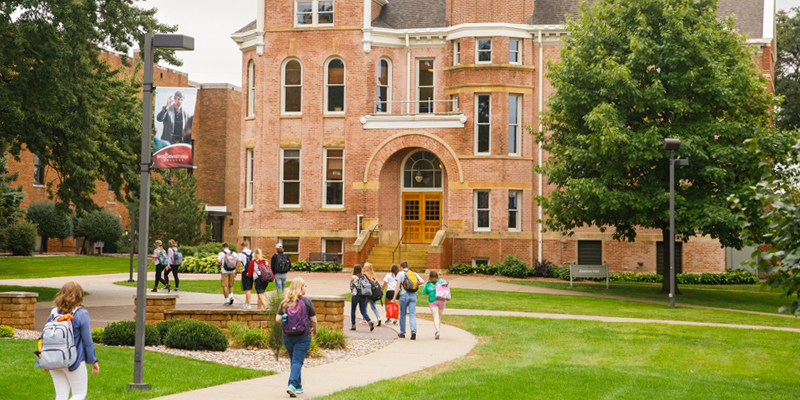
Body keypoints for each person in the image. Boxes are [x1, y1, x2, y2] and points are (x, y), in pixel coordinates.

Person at [37, 282, 99, 400]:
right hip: (74, 360)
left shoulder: (54, 313)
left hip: (54, 358)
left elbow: (45, 338)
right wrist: (93, 361)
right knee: (79, 394)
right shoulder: (81, 314)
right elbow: (87, 341)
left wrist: (43, 360)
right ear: (79, 295)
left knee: (61, 396)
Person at [275, 278, 318, 398]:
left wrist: (289, 322)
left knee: (294, 360)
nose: (305, 287)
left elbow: (278, 319)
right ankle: (292, 385)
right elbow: (313, 319)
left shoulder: (285, 303)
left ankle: (298, 386)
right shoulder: (307, 301)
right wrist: (314, 329)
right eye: (304, 285)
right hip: (303, 336)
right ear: (300, 287)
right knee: (297, 361)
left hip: (287, 336)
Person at [391, 261, 425, 340]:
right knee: (412, 314)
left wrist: (394, 298)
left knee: (403, 314)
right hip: (413, 295)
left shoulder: (400, 274)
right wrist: (416, 284)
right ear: (408, 267)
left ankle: (402, 332)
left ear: (401, 267)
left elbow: (397, 287)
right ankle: (413, 330)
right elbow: (422, 281)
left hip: (404, 295)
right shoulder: (414, 273)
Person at [422, 270, 447, 340]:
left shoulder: (428, 283)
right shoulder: (441, 281)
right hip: (441, 300)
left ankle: (437, 331)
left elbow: (424, 293)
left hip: (432, 301)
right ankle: (437, 330)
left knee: (435, 316)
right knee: (439, 316)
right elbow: (446, 285)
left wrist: (430, 292)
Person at [349, 264, 375, 332]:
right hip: (363, 295)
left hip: (356, 295)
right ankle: (369, 321)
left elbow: (351, 286)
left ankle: (353, 325)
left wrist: (353, 291)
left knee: (353, 310)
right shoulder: (364, 277)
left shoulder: (354, 277)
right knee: (363, 311)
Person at [238, 242, 254, 309]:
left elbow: (238, 263)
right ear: (247, 245)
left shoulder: (241, 254)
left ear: (242, 246)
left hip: (245, 272)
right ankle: (246, 303)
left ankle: (249, 304)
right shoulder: (252, 253)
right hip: (252, 272)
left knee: (247, 289)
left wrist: (236, 271)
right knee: (249, 287)